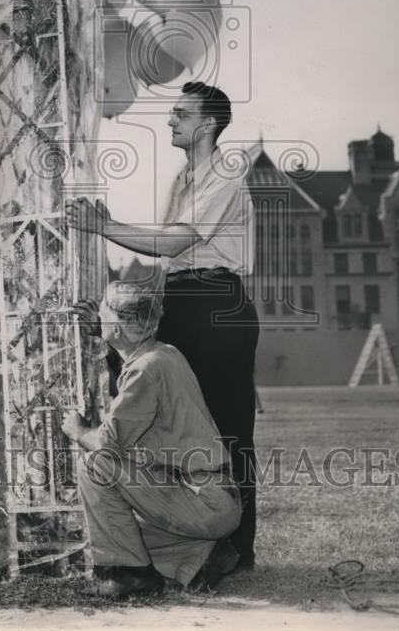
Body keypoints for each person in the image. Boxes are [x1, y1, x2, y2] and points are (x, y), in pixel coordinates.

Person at [67, 81, 259, 570]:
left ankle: (237, 548)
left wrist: (105, 227)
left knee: (227, 426)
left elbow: (174, 243)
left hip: (217, 301)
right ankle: (199, 541)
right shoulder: (183, 178)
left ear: (209, 123)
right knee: (174, 421)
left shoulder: (225, 177)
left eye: (181, 113)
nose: (170, 120)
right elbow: (170, 259)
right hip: (183, 297)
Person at [61, 282, 242, 598]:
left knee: (95, 464)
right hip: (214, 496)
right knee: (124, 534)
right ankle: (203, 557)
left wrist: (77, 430)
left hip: (201, 498)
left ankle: (130, 575)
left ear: (119, 326)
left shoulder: (146, 369)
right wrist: (105, 334)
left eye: (103, 309)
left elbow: (108, 443)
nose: (97, 312)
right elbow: (134, 371)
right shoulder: (165, 354)